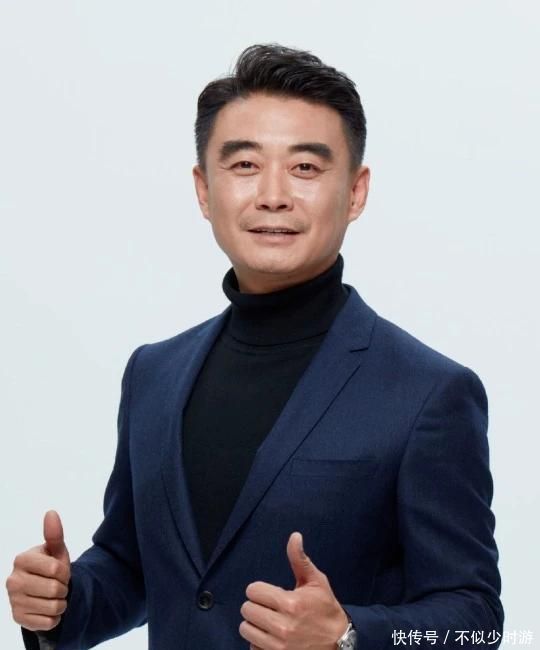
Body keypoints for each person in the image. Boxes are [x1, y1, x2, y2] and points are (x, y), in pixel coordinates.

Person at [6, 43, 503, 650]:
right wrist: (62, 601)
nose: (273, 194)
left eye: (306, 168)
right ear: (203, 189)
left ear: (355, 192)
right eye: (244, 164)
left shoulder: (429, 392)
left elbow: (475, 624)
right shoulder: (154, 373)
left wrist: (349, 635)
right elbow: (135, 569)